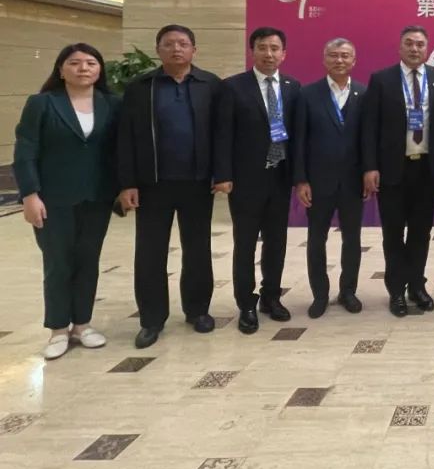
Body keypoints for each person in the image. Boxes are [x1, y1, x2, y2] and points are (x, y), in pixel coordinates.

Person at [13, 44, 121, 360]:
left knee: (88, 259)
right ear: (61, 70)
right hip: (52, 197)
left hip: (97, 196)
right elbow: (25, 150)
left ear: (100, 70)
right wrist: (30, 194)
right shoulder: (42, 103)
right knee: (58, 262)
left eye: (90, 63)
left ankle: (82, 325)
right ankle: (58, 329)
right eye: (74, 63)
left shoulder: (112, 104)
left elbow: (119, 149)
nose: (83, 68)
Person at [118, 24, 220, 349]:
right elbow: (125, 139)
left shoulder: (211, 85)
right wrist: (127, 183)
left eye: (183, 43)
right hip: (152, 184)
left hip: (198, 183)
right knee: (150, 252)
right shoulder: (141, 87)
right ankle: (151, 319)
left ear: (194, 50)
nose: (176, 49)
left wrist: (222, 173)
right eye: (169, 44)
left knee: (198, 249)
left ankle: (197, 310)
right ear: (158, 50)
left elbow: (223, 133)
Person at [213, 27, 301, 334]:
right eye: (263, 47)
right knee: (246, 243)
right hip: (245, 179)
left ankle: (271, 297)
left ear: (284, 54)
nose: (269, 54)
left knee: (276, 242)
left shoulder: (292, 87)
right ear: (253, 51)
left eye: (275, 48)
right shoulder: (233, 87)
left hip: (280, 177)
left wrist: (299, 176)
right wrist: (223, 175)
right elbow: (222, 134)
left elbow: (298, 135)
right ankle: (246, 304)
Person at [362, 26, 434, 317]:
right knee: (393, 232)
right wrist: (370, 166)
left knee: (421, 232)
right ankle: (396, 290)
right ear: (400, 48)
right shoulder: (382, 79)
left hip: (426, 168)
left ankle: (417, 286)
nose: (414, 49)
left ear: (427, 48)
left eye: (420, 44)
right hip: (392, 169)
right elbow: (370, 126)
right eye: (409, 44)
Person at [293, 38, 367, 319]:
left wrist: (368, 171)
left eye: (345, 56)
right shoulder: (307, 94)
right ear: (324, 59)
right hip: (318, 181)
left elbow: (368, 139)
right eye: (334, 55)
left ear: (354, 61)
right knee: (316, 239)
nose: (339, 60)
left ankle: (348, 291)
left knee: (352, 239)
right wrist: (301, 180)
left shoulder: (364, 93)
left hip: (353, 181)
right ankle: (320, 295)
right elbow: (299, 140)